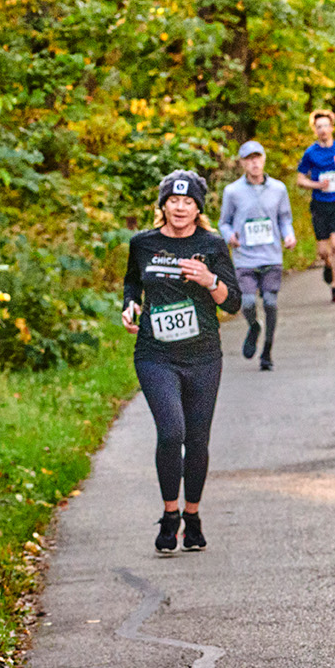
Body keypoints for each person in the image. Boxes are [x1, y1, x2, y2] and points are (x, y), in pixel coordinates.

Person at [121, 170, 242, 553]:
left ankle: (192, 516)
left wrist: (209, 279)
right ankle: (169, 513)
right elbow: (131, 282)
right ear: (162, 205)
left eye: (187, 201)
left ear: (197, 208)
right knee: (172, 432)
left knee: (198, 438)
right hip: (155, 354)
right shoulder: (142, 244)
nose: (179, 207)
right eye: (173, 200)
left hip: (203, 355)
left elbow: (233, 302)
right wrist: (130, 305)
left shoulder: (211, 245)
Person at [218, 141, 297, 371]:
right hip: (245, 257)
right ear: (242, 163)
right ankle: (254, 326)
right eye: (248, 159)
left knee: (271, 303)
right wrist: (229, 236)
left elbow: (284, 218)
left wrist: (289, 236)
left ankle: (267, 351)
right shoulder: (232, 192)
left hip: (271, 255)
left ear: (263, 159)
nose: (254, 163)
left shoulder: (278, 189)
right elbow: (224, 222)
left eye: (257, 157)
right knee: (249, 301)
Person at [296, 109, 335, 303]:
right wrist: (317, 185)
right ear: (315, 130)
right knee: (323, 251)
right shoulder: (311, 153)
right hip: (319, 203)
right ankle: (327, 264)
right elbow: (300, 179)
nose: (323, 130)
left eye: (326, 125)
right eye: (319, 126)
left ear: (332, 127)